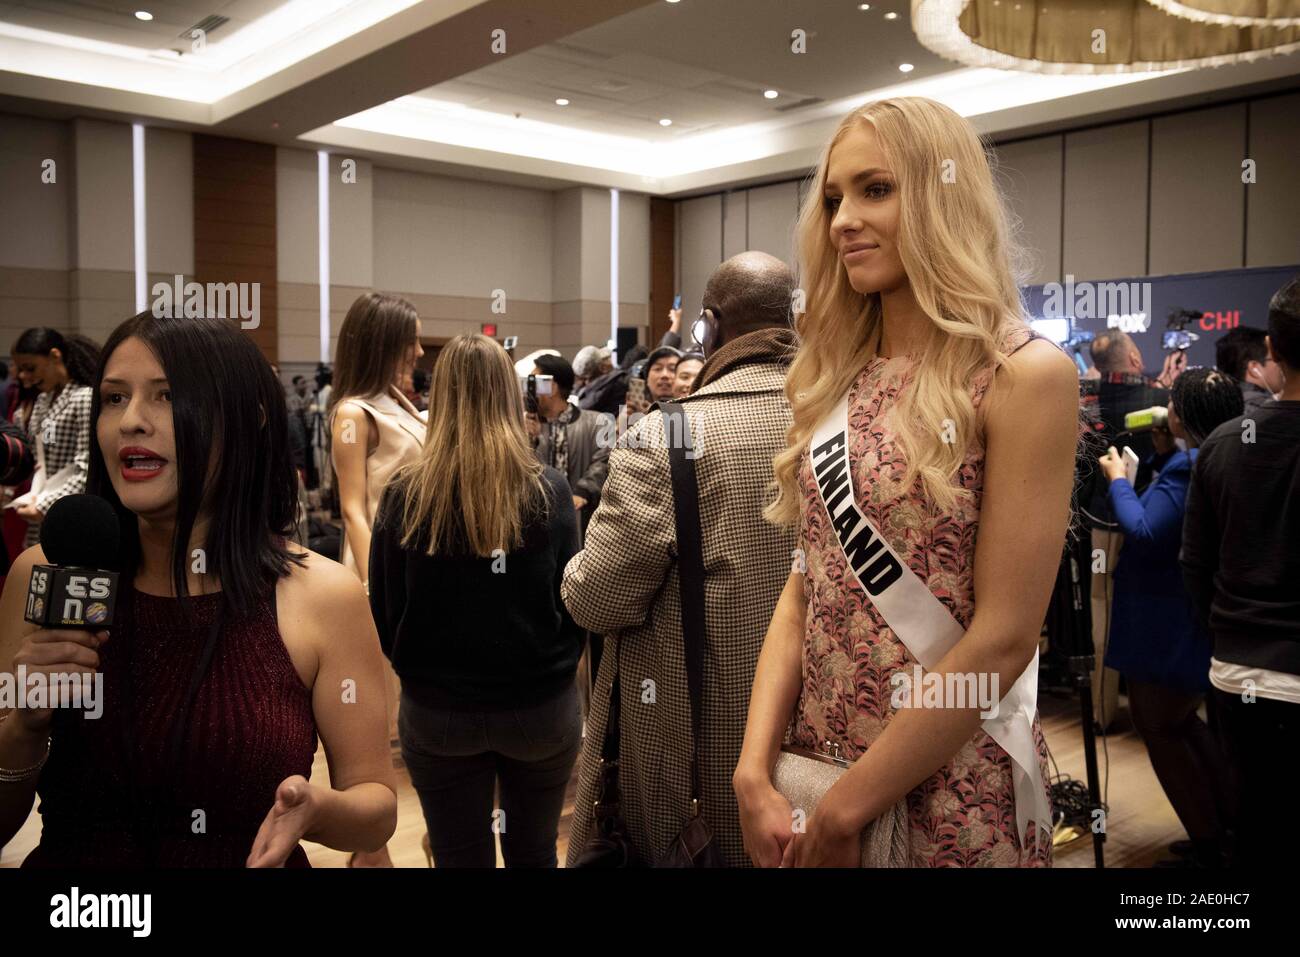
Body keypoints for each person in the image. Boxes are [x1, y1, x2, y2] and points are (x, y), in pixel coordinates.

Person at [734, 97, 1078, 868]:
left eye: (875, 190)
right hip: (812, 776)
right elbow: (804, 586)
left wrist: (853, 802)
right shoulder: (831, 378)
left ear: (941, 194)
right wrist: (753, 769)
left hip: (947, 785)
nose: (843, 220)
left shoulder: (1025, 376)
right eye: (833, 199)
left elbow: (1005, 638)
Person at [0, 312, 397, 866]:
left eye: (165, 396)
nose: (131, 421)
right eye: (114, 398)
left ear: (246, 420)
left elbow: (376, 805)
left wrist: (316, 809)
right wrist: (24, 723)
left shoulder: (322, 594)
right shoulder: (43, 578)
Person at [563, 250, 799, 868]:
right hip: (818, 757)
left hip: (697, 760)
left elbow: (594, 598)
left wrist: (568, 562)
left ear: (709, 328)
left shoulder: (668, 436)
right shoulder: (847, 424)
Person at [369, 335, 582, 868]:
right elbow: (572, 601)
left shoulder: (403, 495)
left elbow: (387, 610)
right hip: (540, 709)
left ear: (441, 399)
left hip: (438, 712)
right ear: (510, 398)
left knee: (458, 858)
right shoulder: (549, 490)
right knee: (535, 854)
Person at [1097, 368, 1243, 867]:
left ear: (1179, 414)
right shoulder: (1220, 455)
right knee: (1183, 723)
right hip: (1194, 615)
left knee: (1158, 724)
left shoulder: (1187, 469)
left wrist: (1117, 480)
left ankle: (1208, 842)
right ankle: (1224, 829)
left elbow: (1143, 529)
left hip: (1164, 619)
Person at [1182, 277, 1300, 870]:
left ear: (1273, 352)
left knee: (1256, 830)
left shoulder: (1225, 443)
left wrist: (1231, 634)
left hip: (1239, 674)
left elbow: (1197, 565)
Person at [328, 291, 427, 868]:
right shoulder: (352, 412)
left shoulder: (399, 403)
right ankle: (371, 846)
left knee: (396, 703)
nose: (417, 348)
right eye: (409, 337)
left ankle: (375, 843)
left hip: (414, 566)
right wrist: (374, 585)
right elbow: (353, 508)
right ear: (383, 342)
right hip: (377, 570)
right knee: (370, 712)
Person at [1081, 329, 1174, 731]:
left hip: (1099, 525)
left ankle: (1102, 714)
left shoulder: (1084, 402)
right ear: (1134, 358)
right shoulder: (1161, 402)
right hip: (1154, 525)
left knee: (1101, 612)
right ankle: (1155, 712)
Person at [8, 329, 99, 549]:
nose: (23, 376)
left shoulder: (84, 398)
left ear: (55, 356)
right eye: (21, 369)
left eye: (30, 368)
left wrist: (45, 506)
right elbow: (35, 459)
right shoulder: (41, 401)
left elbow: (87, 468)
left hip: (70, 515)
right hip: (39, 514)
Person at [525, 353, 612, 534]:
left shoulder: (598, 422)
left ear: (552, 386)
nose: (528, 390)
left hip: (584, 522)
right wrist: (527, 440)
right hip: (535, 522)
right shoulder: (522, 427)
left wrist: (583, 491)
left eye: (534, 383)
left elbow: (603, 461)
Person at [1215, 325, 1283, 414]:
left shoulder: (1215, 407)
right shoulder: (1272, 411)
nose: (1283, 365)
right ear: (1254, 368)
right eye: (1277, 358)